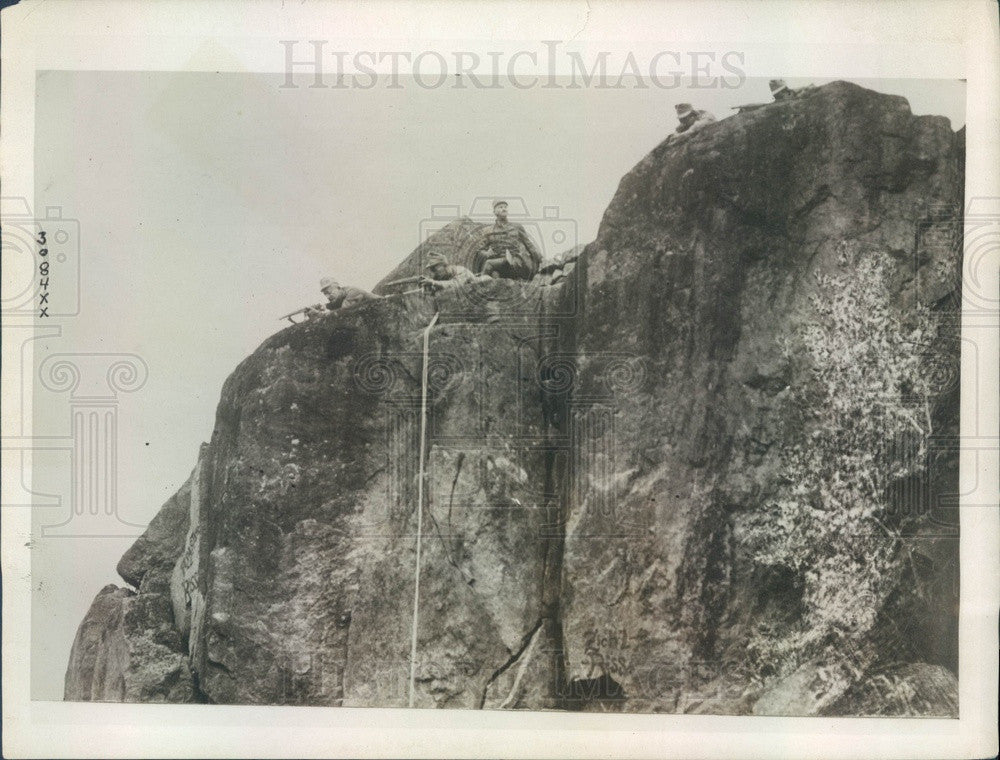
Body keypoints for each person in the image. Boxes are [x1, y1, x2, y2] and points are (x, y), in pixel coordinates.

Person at [474, 200, 543, 280]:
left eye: (505, 207)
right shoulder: (490, 231)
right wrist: (486, 254)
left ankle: (479, 284)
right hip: (499, 263)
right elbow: (480, 250)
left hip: (516, 262)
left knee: (489, 264)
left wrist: (540, 259)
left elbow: (529, 245)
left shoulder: (516, 227)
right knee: (494, 275)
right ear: (494, 211)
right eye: (500, 207)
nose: (504, 209)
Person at [306, 276, 377, 318]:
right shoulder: (342, 294)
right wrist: (323, 307)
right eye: (325, 294)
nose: (328, 296)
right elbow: (336, 304)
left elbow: (342, 313)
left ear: (338, 288)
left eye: (329, 292)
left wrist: (318, 314)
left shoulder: (352, 292)